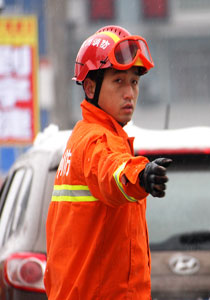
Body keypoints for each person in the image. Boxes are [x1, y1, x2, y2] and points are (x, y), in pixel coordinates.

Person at [44, 25, 172, 300]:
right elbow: (112, 173)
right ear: (90, 87)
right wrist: (141, 176)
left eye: (134, 82)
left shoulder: (85, 137)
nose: (130, 93)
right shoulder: (96, 140)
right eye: (118, 81)